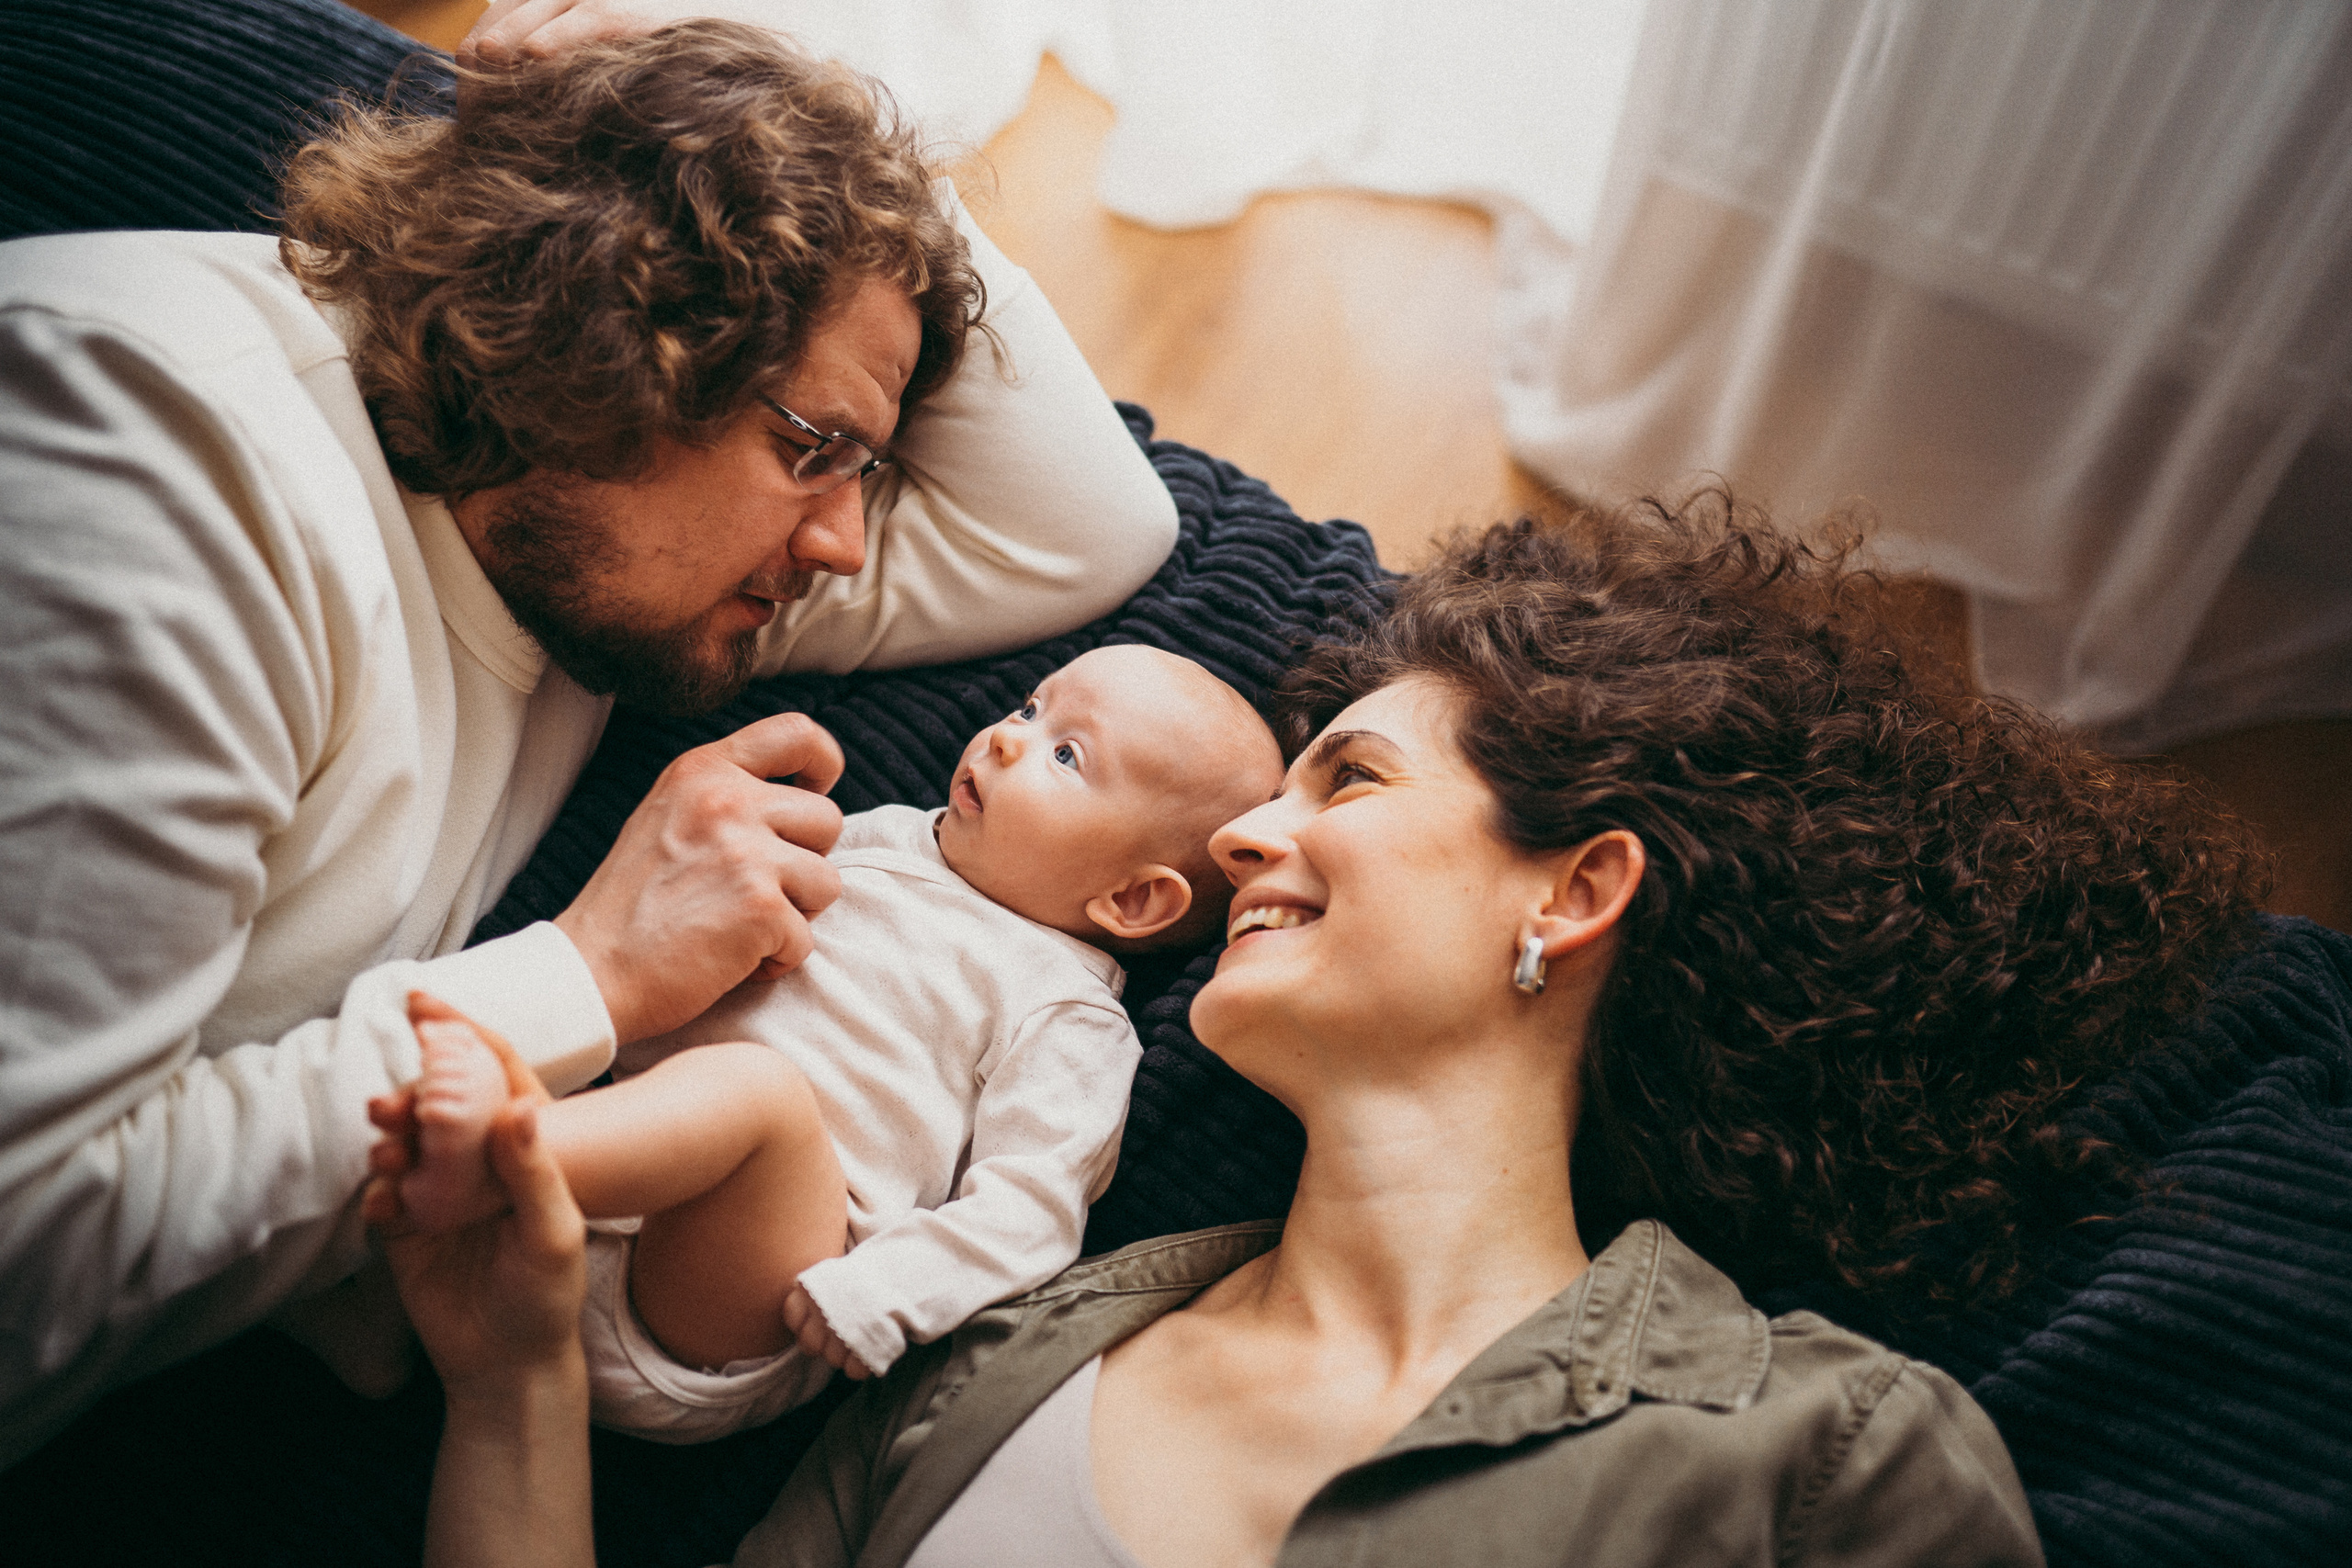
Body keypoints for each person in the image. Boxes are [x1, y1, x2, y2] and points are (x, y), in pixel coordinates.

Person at [376, 498, 2274, 1566]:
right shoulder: (1008, 1355)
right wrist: (513, 1368)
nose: (1241, 839)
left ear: (1572, 889)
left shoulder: (1814, 1455)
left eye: (1341, 777)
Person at [0, 19, 1178, 1461]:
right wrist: (592, 972)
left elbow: (1089, 525)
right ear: (610, 323)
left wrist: (803, 132)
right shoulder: (153, 462)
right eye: (815, 450)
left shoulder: (594, 553)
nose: (845, 542)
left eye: (863, 472)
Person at [365, 646, 1283, 1443]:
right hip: (600, 1199)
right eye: (1029, 706)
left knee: (755, 1095)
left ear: (1130, 900)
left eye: (1066, 754)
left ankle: (503, 1157)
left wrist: (888, 1293)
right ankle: (368, 1326)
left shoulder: (1067, 1014)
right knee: (511, 1057)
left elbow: (1031, 1210)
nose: (1007, 736)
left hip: (732, 1297)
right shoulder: (880, 836)